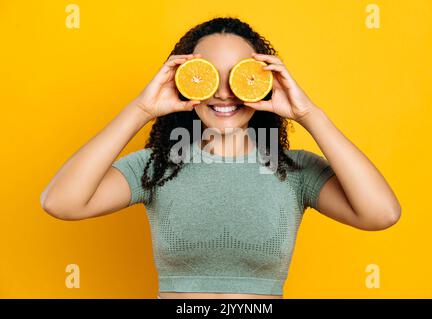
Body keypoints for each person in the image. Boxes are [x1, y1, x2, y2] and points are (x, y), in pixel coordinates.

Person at [40, 17, 401, 299]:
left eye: (240, 77)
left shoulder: (293, 170)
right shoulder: (157, 165)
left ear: (265, 81)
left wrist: (309, 114)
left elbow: (382, 213)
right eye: (208, 76)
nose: (225, 94)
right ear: (184, 80)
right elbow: (61, 202)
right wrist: (141, 109)